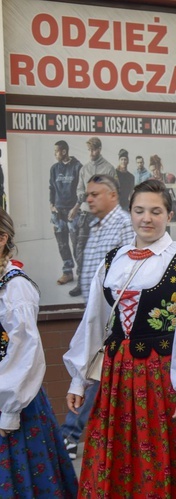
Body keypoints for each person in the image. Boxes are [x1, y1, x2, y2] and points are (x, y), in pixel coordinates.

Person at [63, 179, 176, 497]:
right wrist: (79, 380)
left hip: (164, 378)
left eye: (155, 211)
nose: (147, 218)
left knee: (160, 453)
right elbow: (94, 320)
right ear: (130, 213)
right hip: (117, 377)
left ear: (169, 215)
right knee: (118, 454)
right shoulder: (114, 259)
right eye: (139, 210)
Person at [0, 208, 79, 497]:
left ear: (1, 239)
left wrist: (8, 412)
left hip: (13, 401)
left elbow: (25, 354)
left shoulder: (15, 287)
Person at [59, 174, 135, 460]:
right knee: (93, 370)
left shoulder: (124, 225)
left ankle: (70, 433)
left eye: (95, 194)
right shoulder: (94, 225)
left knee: (96, 370)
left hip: (113, 314)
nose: (88, 199)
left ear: (112, 195)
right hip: (93, 311)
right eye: (87, 194)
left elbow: (128, 269)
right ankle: (76, 432)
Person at [68, 137, 116, 297]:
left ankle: (103, 285)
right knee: (80, 248)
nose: (91, 153)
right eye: (89, 150)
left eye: (94, 149)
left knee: (104, 251)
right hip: (85, 214)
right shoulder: (84, 169)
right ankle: (82, 284)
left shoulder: (109, 168)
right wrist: (83, 195)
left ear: (100, 149)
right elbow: (80, 188)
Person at [49, 140, 82, 286]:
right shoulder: (54, 168)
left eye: (56, 151)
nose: (55, 154)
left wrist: (76, 207)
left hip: (73, 212)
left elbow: (82, 190)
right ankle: (67, 272)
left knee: (77, 244)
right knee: (62, 244)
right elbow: (52, 188)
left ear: (63, 151)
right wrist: (51, 204)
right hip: (58, 213)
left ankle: (82, 273)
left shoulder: (77, 167)